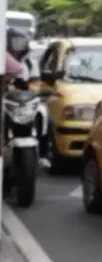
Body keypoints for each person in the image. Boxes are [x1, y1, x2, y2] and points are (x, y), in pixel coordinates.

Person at [6, 28, 50, 168]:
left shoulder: (30, 61)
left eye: (22, 43)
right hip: (5, 99)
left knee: (43, 112)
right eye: (16, 42)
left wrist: (34, 92)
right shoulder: (4, 59)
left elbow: (35, 81)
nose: (19, 46)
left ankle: (43, 153)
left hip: (24, 101)